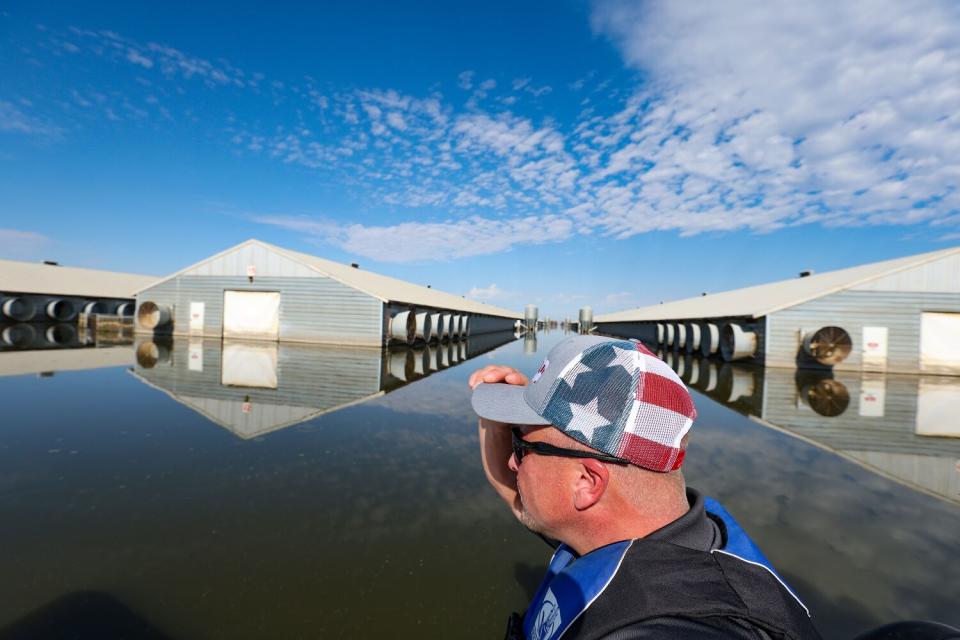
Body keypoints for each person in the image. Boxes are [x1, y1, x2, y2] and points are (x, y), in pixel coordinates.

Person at [469, 335, 822, 640]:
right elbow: (521, 498)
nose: (512, 464)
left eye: (522, 450)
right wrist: (499, 423)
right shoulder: (657, 522)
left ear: (586, 483)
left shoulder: (678, 626)